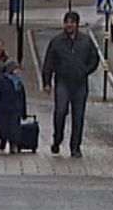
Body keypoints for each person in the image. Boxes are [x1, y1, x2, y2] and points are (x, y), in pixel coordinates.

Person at [41, 11, 99, 158]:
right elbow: (49, 62)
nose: (69, 25)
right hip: (62, 82)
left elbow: (94, 59)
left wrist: (86, 71)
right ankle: (57, 139)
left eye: (72, 22)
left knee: (78, 116)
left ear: (77, 24)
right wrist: (46, 82)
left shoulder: (85, 41)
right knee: (60, 112)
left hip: (80, 84)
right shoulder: (57, 42)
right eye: (67, 22)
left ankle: (75, 147)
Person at [0, 61, 27, 153]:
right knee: (1, 127)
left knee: (14, 128)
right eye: (16, 69)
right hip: (3, 108)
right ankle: (3, 139)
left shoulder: (19, 83)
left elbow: (23, 97)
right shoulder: (2, 80)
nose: (18, 71)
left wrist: (24, 112)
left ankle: (13, 144)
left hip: (16, 110)